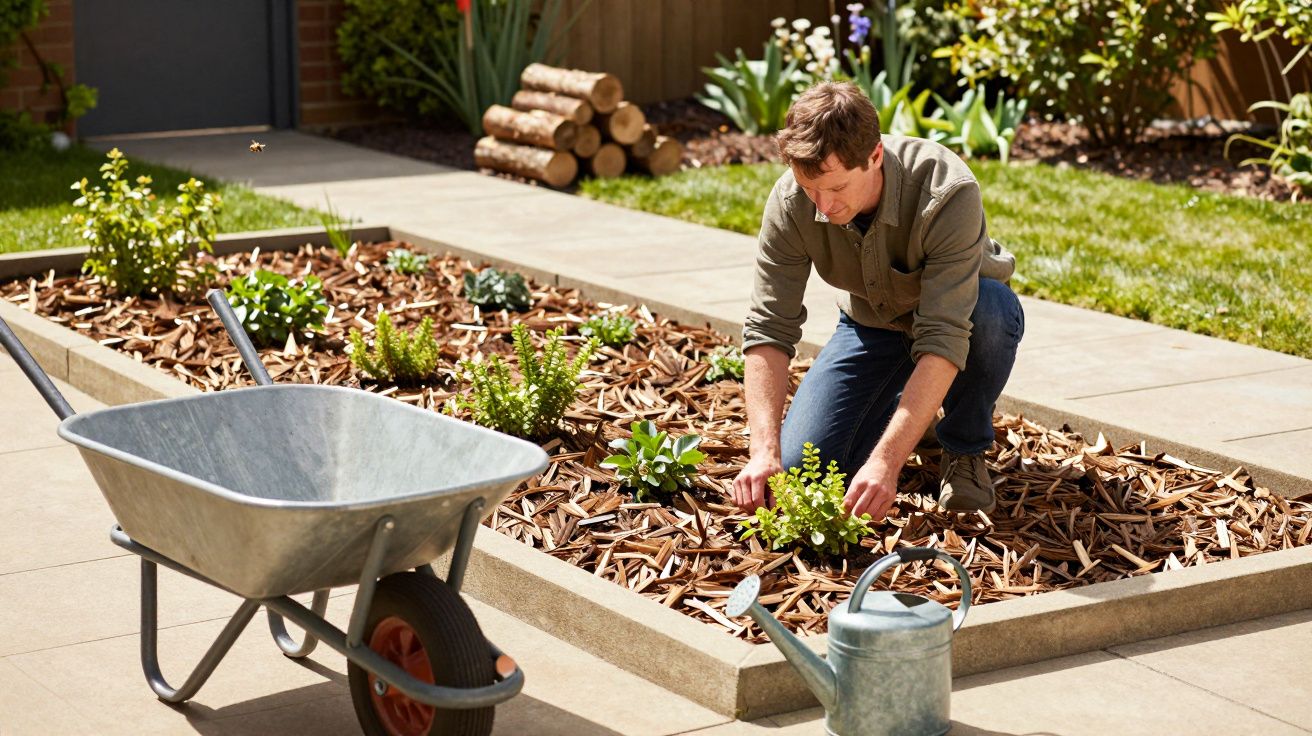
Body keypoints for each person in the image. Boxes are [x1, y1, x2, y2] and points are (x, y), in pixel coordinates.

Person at [730, 81, 1024, 522]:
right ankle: (913, 418)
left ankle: (962, 448)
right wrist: (763, 451)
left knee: (992, 312)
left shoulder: (947, 190)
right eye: (810, 189)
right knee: (801, 472)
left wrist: (886, 464)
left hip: (964, 317)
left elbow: (945, 334)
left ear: (874, 156)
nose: (824, 206)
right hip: (871, 326)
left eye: (836, 188)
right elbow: (769, 325)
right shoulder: (792, 200)